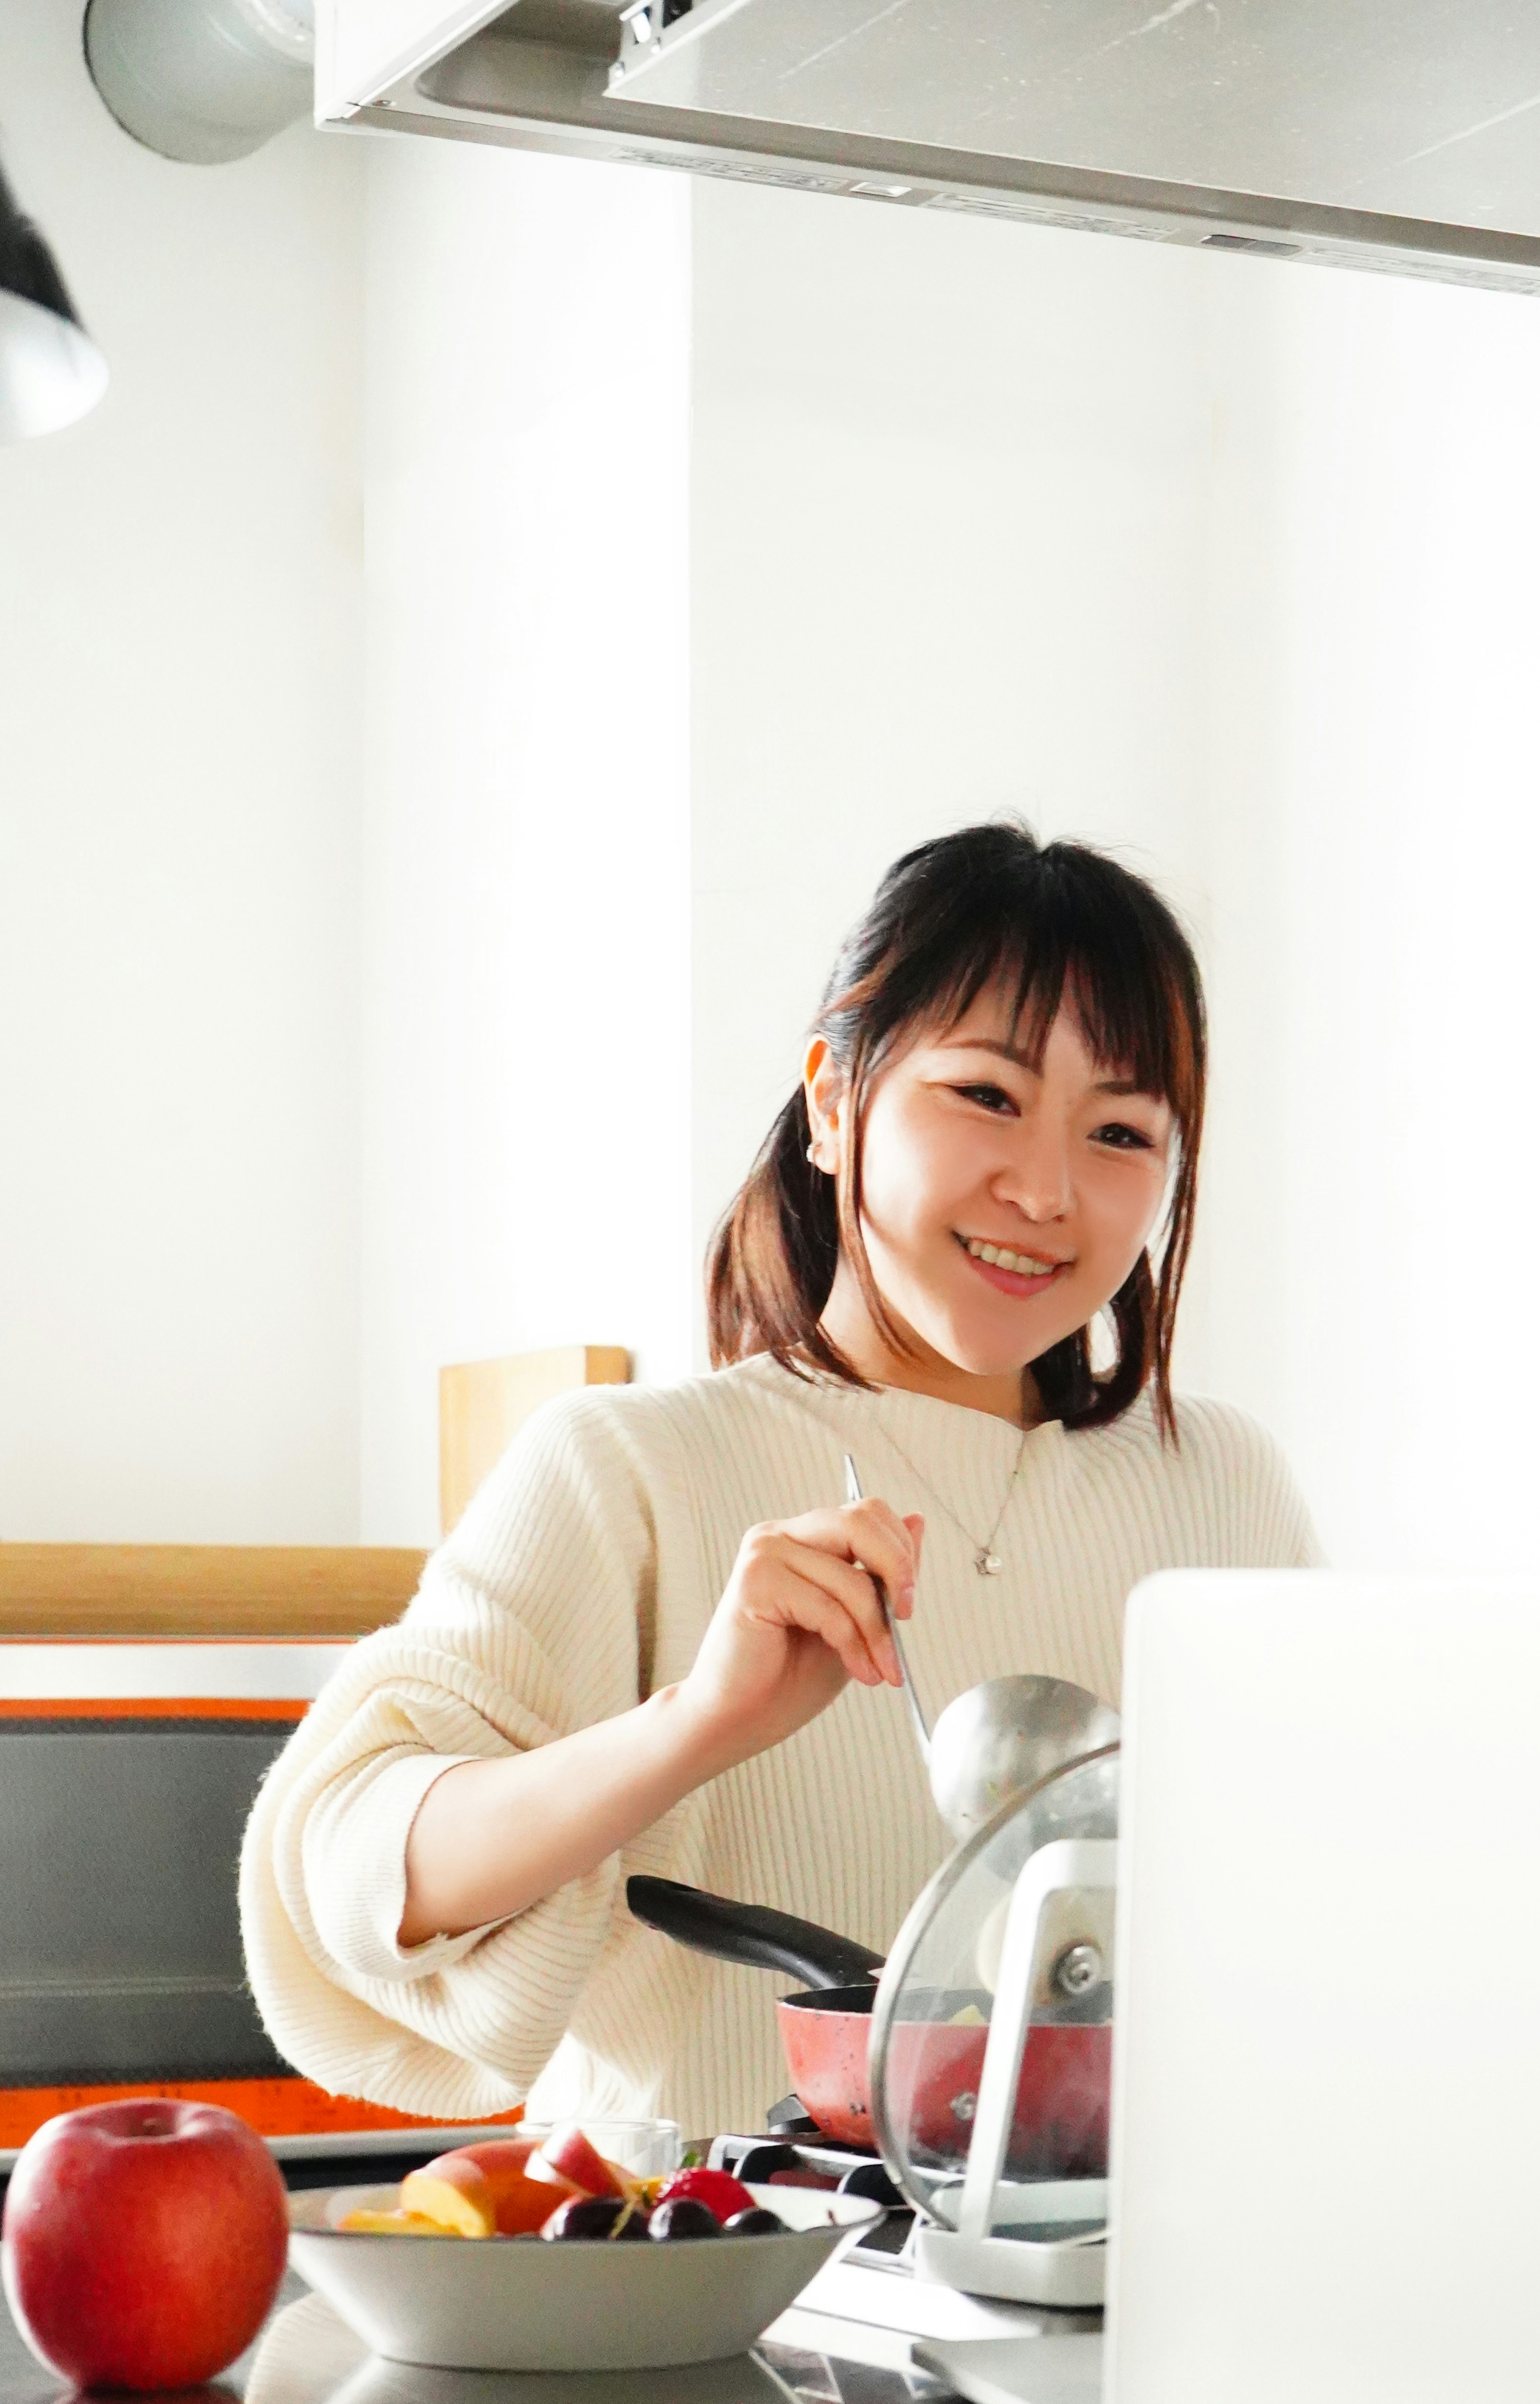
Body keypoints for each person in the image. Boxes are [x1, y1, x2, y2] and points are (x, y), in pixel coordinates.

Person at [240, 823, 1319, 2137]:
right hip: (692, 2304)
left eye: (1121, 1131)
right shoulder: (626, 1471)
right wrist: (696, 1721)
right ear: (833, 1101)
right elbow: (349, 1876)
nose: (1046, 1190)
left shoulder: (1225, 1490)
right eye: (987, 1095)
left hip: (1102, 2305)